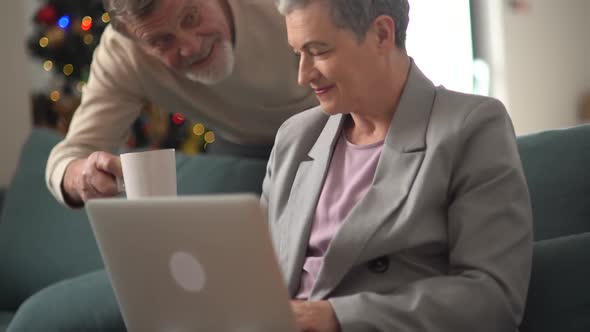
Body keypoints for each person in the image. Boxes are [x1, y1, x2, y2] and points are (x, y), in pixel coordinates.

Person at [260, 0, 533, 331]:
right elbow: (258, 272)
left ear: (381, 34)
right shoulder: (295, 138)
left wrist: (338, 317)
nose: (304, 75)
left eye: (319, 51)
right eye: (297, 54)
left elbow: (493, 297)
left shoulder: (471, 127)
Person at [46, 0, 317, 208]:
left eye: (191, 17)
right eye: (161, 41)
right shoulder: (123, 55)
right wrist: (81, 176)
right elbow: (70, 156)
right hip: (243, 146)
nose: (191, 47)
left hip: (338, 116)